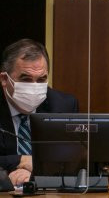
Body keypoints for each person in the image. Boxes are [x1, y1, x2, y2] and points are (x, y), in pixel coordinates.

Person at [0, 39, 79, 185]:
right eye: (26, 79)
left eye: (41, 79)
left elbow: (74, 159)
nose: (34, 87)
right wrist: (21, 160)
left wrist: (34, 170)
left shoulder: (63, 105)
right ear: (4, 79)